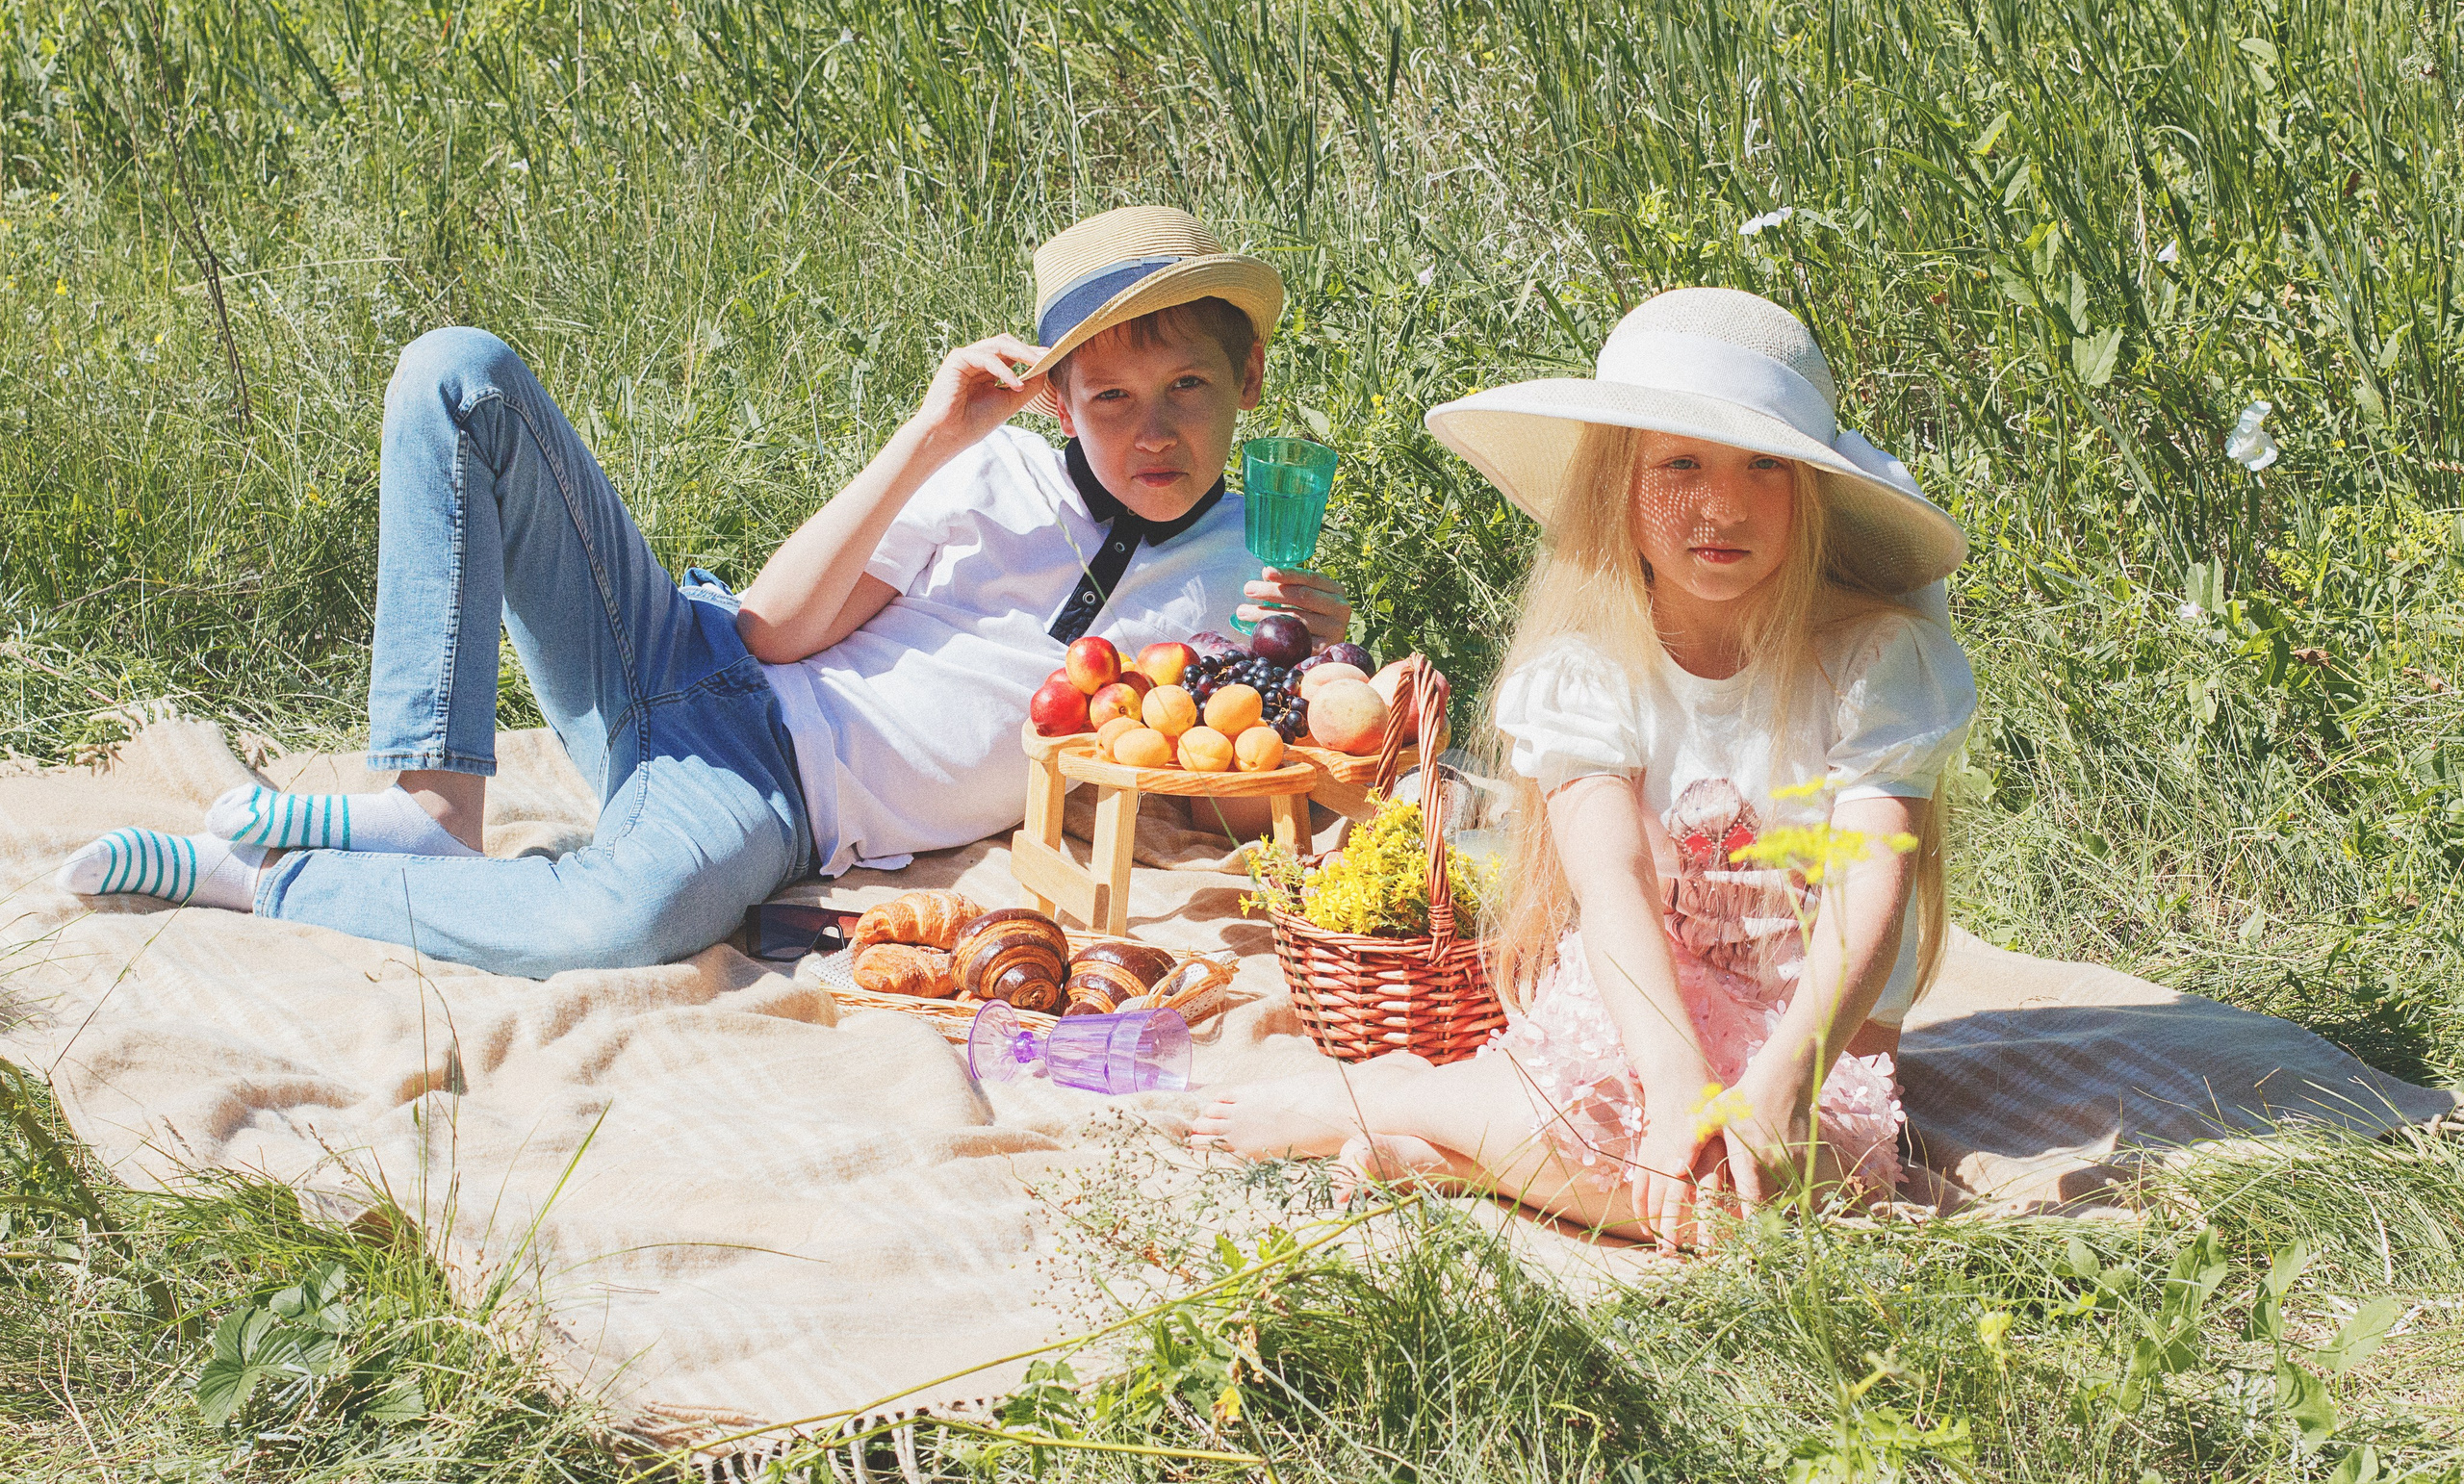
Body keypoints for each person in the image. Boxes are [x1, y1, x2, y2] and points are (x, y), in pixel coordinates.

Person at [56, 206, 1350, 975]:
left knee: (626, 916)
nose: (1151, 430)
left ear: (1245, 381)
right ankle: (429, 807)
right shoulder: (988, 472)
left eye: (1186, 386)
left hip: (764, 792)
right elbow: (777, 629)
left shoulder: (1248, 573)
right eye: (1109, 396)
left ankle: (255, 880)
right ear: (1056, 400)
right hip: (680, 656)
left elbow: (1230, 794)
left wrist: (1309, 680)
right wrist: (930, 437)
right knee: (458, 372)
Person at [1188, 288, 1975, 1248]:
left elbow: (1868, 887)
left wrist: (1782, 1084)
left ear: (1809, 489)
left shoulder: (1873, 659)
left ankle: (1449, 1140)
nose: (1721, 506)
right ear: (1617, 483)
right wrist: (1676, 1080)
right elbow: (1616, 882)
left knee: (1780, 1202)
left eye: (1764, 466)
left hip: (1819, 1035)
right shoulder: (1590, 669)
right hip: (1647, 1005)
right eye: (1679, 464)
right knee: (1664, 1167)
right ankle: (1400, 1095)